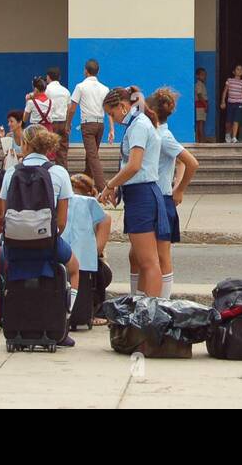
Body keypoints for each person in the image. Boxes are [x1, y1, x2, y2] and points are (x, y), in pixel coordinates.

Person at [0, 126, 81, 347]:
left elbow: (3, 215)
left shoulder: (10, 172)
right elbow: (61, 222)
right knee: (73, 268)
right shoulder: (59, 173)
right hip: (47, 244)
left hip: (14, 246)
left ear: (25, 144)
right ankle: (63, 324)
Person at [97, 86, 167, 297]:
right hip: (141, 193)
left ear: (123, 106)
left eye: (112, 113)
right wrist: (117, 185)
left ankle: (151, 311)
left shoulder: (138, 126)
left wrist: (110, 185)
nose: (113, 118)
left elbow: (134, 165)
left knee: (148, 262)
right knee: (138, 258)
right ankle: (141, 304)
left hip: (142, 194)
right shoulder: (140, 123)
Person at [150, 86, 199, 300]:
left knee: (162, 254)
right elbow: (179, 162)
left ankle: (164, 300)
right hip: (154, 197)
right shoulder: (156, 134)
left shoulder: (164, 136)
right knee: (143, 254)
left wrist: (178, 190)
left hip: (162, 197)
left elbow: (190, 163)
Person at [70, 172, 113, 325]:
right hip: (71, 257)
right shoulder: (66, 211)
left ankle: (96, 309)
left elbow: (97, 250)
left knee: (96, 269)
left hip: (93, 262)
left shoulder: (103, 218)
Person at [70, 60, 113, 192]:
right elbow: (109, 110)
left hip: (88, 124)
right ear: (98, 72)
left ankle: (102, 188)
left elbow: (72, 108)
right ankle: (87, 181)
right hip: (100, 124)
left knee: (92, 156)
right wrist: (112, 129)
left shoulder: (80, 87)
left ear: (85, 71)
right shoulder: (105, 88)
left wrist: (68, 123)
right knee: (91, 155)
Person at [44, 66, 72, 168]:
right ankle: (63, 172)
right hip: (64, 122)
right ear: (59, 77)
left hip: (51, 123)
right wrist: (68, 124)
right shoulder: (66, 91)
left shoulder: (47, 90)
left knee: (48, 148)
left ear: (48, 77)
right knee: (63, 151)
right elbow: (69, 108)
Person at [220, 64, 242, 144]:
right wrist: (223, 101)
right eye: (238, 69)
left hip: (239, 103)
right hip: (230, 103)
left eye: (241, 69)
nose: (239, 71)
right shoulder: (229, 81)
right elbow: (225, 91)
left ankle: (234, 137)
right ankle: (228, 134)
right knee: (229, 121)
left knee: (236, 120)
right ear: (233, 71)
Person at [194, 67, 209, 143]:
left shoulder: (201, 84)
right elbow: (199, 95)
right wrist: (205, 104)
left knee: (199, 123)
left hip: (200, 105)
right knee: (201, 123)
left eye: (205, 75)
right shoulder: (199, 84)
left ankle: (198, 139)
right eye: (202, 75)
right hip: (201, 105)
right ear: (197, 76)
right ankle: (201, 140)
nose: (204, 76)